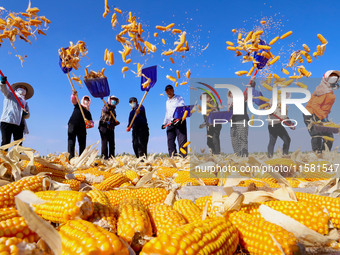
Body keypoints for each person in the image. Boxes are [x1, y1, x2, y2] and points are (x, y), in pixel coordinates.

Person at [304, 70, 340, 153]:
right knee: (317, 134)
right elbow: (314, 105)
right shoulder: (322, 90)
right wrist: (323, 117)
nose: (336, 80)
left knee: (329, 137)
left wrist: (325, 118)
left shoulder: (328, 91)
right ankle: (317, 155)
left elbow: (324, 107)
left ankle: (324, 155)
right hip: (311, 114)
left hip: (320, 115)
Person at [0, 76, 34, 147]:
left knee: (18, 145)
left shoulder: (24, 102)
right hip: (8, 121)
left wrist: (25, 113)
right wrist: (3, 83)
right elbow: (4, 90)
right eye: (21, 87)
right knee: (6, 143)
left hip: (19, 124)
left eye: (24, 88)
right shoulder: (10, 95)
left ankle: (17, 158)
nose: (22, 89)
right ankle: (3, 157)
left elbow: (28, 115)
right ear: (17, 89)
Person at [162, 85, 187, 157]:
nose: (169, 92)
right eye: (167, 91)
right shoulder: (167, 101)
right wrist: (164, 123)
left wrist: (176, 118)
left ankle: (183, 158)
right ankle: (173, 158)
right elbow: (167, 113)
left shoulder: (179, 98)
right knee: (170, 141)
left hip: (179, 122)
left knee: (182, 141)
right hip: (170, 123)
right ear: (166, 92)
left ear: (173, 90)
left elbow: (181, 108)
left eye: (170, 90)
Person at [68, 91, 94, 159]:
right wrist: (73, 95)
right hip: (72, 124)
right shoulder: (78, 105)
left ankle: (81, 158)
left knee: (82, 144)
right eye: (85, 99)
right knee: (71, 142)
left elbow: (91, 123)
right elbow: (73, 100)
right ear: (82, 100)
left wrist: (89, 124)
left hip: (82, 128)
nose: (86, 101)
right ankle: (70, 158)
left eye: (87, 100)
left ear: (89, 102)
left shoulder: (88, 112)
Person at [227, 89, 249, 157]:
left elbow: (246, 95)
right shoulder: (230, 105)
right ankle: (237, 155)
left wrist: (252, 82)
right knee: (234, 139)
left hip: (242, 120)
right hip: (233, 122)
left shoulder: (242, 100)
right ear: (229, 95)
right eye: (231, 93)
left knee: (242, 137)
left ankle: (244, 156)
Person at [99, 95, 120, 159]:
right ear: (109, 100)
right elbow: (105, 113)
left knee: (112, 143)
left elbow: (112, 122)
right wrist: (109, 109)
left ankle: (111, 157)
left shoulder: (114, 111)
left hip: (111, 128)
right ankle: (104, 158)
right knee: (104, 142)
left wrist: (115, 123)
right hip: (104, 126)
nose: (114, 101)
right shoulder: (106, 106)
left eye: (115, 100)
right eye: (112, 99)